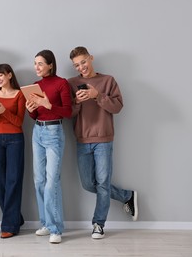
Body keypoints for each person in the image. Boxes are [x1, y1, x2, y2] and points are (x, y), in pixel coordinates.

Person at [68, 46, 138, 239]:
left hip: (104, 139)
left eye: (83, 62)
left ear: (90, 58)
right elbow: (69, 113)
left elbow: (117, 107)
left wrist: (97, 96)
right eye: (76, 65)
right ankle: (127, 196)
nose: (81, 67)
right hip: (82, 139)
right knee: (89, 184)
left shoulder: (108, 81)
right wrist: (77, 101)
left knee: (103, 184)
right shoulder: (72, 83)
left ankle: (98, 224)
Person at [25, 50, 72, 244]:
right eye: (35, 63)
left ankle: (56, 228)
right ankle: (46, 223)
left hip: (54, 133)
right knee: (39, 180)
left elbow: (68, 112)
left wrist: (49, 104)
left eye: (40, 63)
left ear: (50, 65)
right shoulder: (35, 85)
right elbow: (37, 116)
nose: (36, 67)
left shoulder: (61, 83)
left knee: (52, 181)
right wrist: (31, 111)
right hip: (37, 131)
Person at [0, 64, 26, 239]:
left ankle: (9, 225)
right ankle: (15, 217)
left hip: (15, 139)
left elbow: (19, 122)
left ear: (9, 75)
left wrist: (4, 112)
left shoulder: (20, 94)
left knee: (13, 180)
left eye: (1, 75)